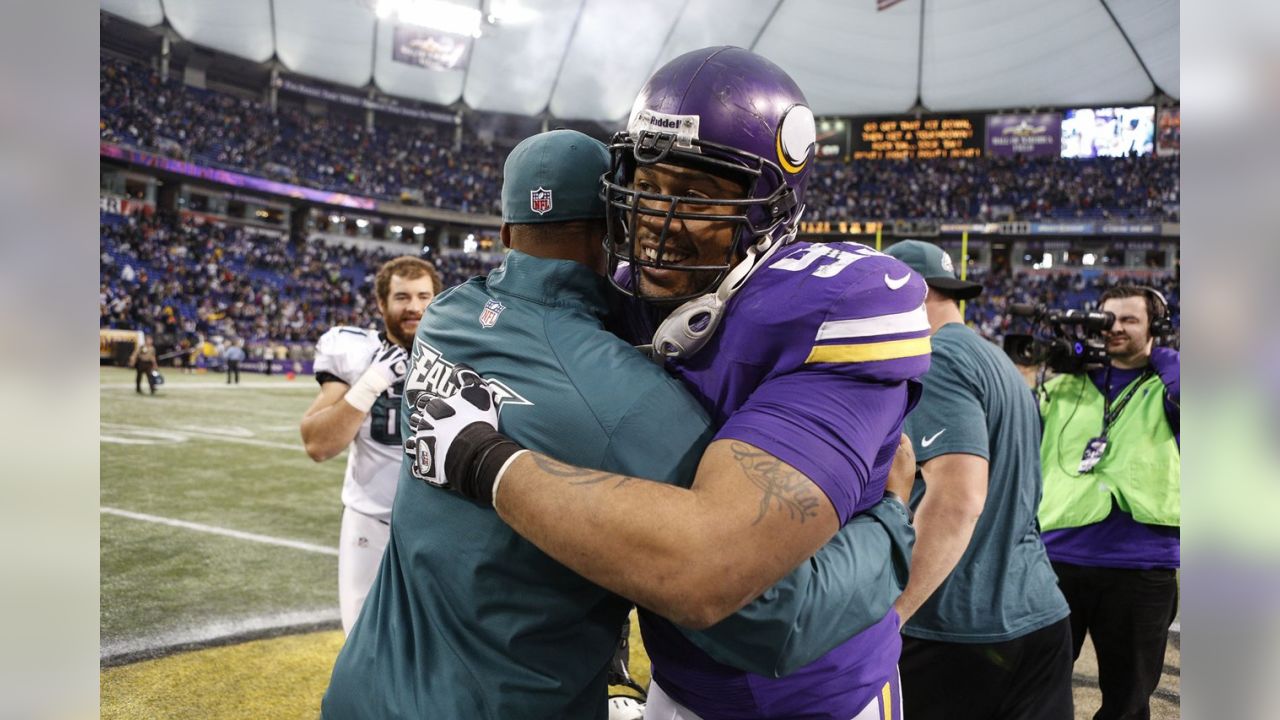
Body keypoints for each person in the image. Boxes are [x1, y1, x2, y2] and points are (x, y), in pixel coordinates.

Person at [405, 47, 929, 720]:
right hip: (676, 683)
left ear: (767, 212)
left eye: (698, 197)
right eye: (647, 184)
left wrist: (485, 462)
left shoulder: (837, 302)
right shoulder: (620, 292)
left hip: (817, 697)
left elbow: (712, 571)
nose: (657, 217)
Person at [884, 240, 1073, 720]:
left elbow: (958, 500)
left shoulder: (936, 357)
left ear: (913, 291)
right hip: (1037, 609)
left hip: (958, 624)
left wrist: (894, 616)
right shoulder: (1001, 364)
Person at [1038, 285, 1180, 720]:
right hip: (1057, 556)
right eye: (1107, 319)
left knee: (1127, 701)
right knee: (1038, 690)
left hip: (1140, 566)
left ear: (1156, 327)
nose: (1114, 328)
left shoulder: (1169, 382)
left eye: (1129, 320)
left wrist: (1168, 358)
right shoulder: (1066, 383)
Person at [299, 254, 439, 634]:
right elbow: (318, 443)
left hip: (441, 523)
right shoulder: (355, 353)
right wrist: (372, 382)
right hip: (371, 519)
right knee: (365, 640)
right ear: (381, 304)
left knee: (439, 644)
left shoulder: (458, 353)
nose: (414, 307)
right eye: (402, 297)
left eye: (424, 296)